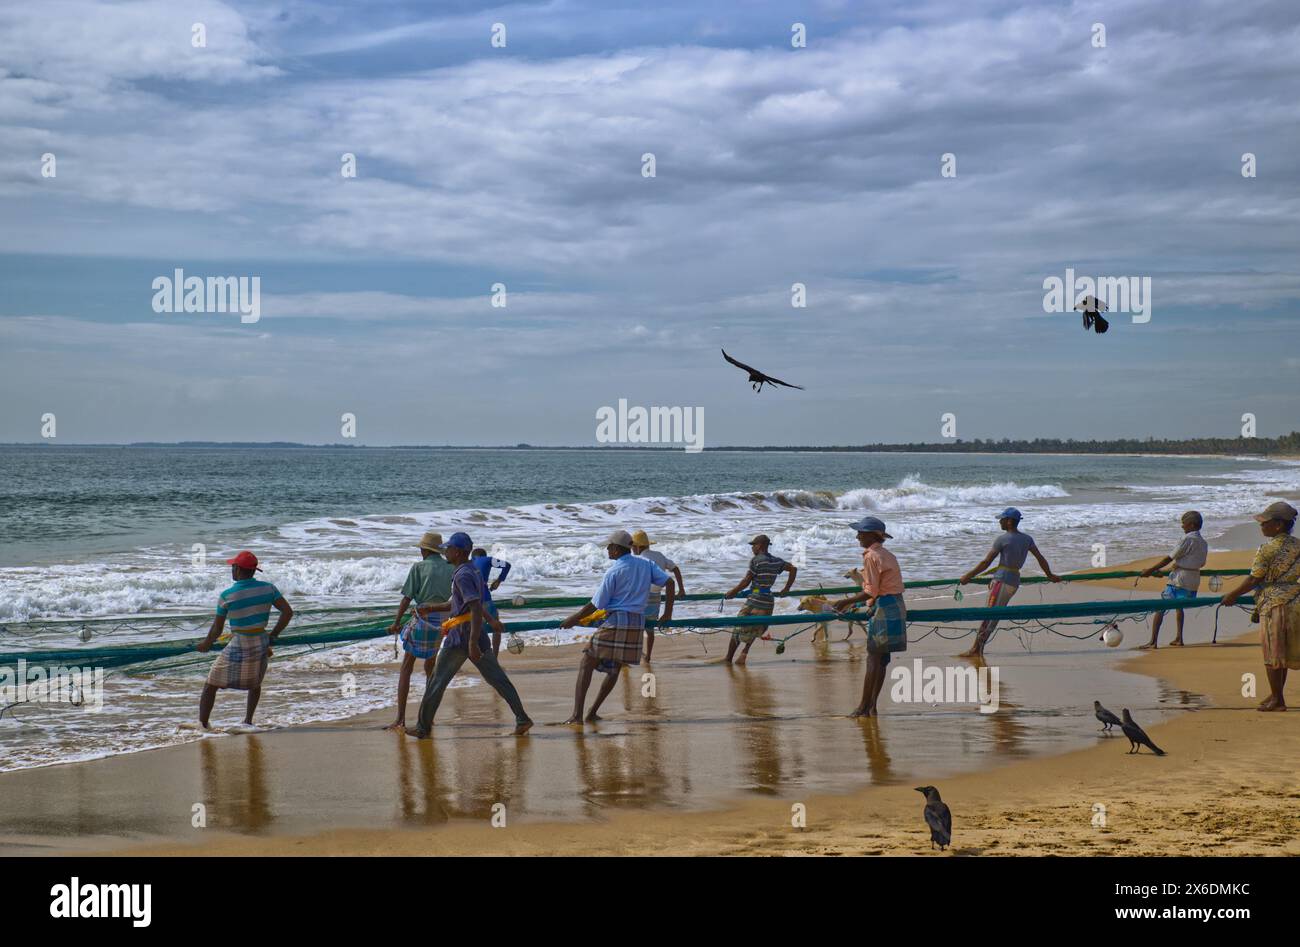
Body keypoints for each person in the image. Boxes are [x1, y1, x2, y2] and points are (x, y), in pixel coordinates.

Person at [404, 532, 533, 737]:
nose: (445, 551)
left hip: (462, 637)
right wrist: (431, 608)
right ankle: (522, 718)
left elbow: (473, 607)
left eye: (449, 549)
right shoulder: (471, 571)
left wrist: (472, 643)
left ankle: (422, 727)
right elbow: (466, 603)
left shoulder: (463, 575)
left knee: (437, 681)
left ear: (458, 552)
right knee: (498, 679)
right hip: (475, 633)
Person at [559, 529, 674, 723]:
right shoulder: (646, 564)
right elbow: (669, 583)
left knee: (587, 662)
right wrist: (668, 613)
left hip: (617, 621)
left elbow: (597, 604)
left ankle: (577, 715)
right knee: (614, 669)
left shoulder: (614, 570)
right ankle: (592, 712)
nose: (607, 550)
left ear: (615, 549)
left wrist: (574, 618)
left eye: (609, 547)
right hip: (637, 622)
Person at [196, 551, 293, 728]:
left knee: (211, 683)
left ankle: (203, 725)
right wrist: (274, 635)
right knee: (255, 683)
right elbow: (287, 612)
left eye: (233, 566)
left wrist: (206, 644)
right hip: (261, 642)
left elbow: (217, 629)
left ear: (238, 569)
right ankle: (248, 721)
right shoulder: (269, 588)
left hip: (240, 643)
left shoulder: (227, 595)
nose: (232, 569)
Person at [1221, 501, 1300, 712]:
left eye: (1265, 523)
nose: (1261, 526)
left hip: (1273, 603)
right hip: (1294, 600)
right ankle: (1276, 694)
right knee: (1283, 651)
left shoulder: (1266, 549)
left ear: (1278, 525)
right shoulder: (1298, 545)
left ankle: (1278, 700)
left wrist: (1232, 595)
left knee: (1272, 652)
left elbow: (1254, 579)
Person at [958, 507, 1060, 657]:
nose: (1000, 522)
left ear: (1010, 522)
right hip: (1014, 582)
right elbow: (1040, 558)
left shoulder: (1003, 539)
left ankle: (976, 649)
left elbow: (986, 562)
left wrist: (968, 576)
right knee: (994, 615)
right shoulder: (1027, 539)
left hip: (1002, 581)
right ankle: (978, 648)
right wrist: (1050, 575)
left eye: (1002, 519)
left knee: (989, 615)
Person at [831, 516, 906, 717]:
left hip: (884, 607)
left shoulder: (871, 556)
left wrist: (844, 602)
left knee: (873, 658)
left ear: (871, 535)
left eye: (860, 533)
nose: (857, 537)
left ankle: (863, 706)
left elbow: (871, 591)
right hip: (897, 605)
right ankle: (872, 705)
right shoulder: (887, 554)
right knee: (882, 660)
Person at [384, 532, 454, 730]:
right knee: (430, 667)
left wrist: (396, 623)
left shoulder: (418, 567)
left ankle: (400, 719)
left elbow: (407, 598)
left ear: (424, 550)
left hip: (424, 619)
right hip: (442, 623)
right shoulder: (450, 567)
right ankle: (427, 717)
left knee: (407, 667)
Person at [723, 534, 797, 665]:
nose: (752, 548)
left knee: (738, 626)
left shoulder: (756, 560)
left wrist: (732, 592)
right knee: (756, 628)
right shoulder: (776, 561)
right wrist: (786, 589)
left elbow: (746, 581)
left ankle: (728, 658)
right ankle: (744, 653)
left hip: (755, 599)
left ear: (761, 546)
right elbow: (793, 569)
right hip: (768, 600)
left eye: (754, 545)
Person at [1139, 511, 1208, 649]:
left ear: (1192, 524)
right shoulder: (1203, 542)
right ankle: (1179, 638)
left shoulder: (1187, 539)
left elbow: (1169, 558)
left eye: (1184, 523)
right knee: (1179, 607)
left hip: (1179, 580)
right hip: (1193, 580)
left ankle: (1153, 641)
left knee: (1161, 607)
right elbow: (1199, 563)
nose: (1182, 526)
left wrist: (1150, 570)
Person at [630, 529, 685, 663]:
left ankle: (631, 655)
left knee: (633, 628)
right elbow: (675, 568)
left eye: (632, 547)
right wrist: (681, 589)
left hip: (641, 598)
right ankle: (648, 656)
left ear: (637, 547)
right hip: (656, 598)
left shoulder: (639, 560)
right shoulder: (659, 555)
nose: (631, 549)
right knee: (650, 629)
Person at [470, 547, 512, 656]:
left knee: (473, 630)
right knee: (496, 625)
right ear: (484, 556)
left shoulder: (467, 563)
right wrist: (499, 580)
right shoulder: (487, 560)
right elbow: (507, 565)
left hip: (469, 601)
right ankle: (495, 656)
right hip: (485, 599)